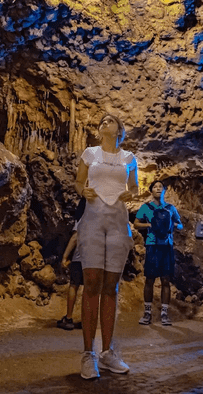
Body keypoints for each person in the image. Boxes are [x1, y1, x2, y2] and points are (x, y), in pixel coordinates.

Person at [74, 113, 138, 380]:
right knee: (91, 283)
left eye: (110, 121)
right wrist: (82, 190)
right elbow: (79, 182)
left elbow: (134, 187)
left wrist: (130, 193)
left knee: (111, 286)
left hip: (117, 222)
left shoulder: (129, 158)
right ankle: (88, 354)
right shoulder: (90, 153)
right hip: (92, 219)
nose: (104, 123)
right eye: (102, 121)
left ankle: (107, 352)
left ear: (119, 130)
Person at [133, 181, 183, 326]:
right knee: (149, 279)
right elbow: (136, 223)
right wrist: (149, 224)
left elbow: (180, 224)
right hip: (152, 245)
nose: (158, 189)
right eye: (155, 187)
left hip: (166, 245)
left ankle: (164, 314)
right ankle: (147, 312)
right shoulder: (146, 207)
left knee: (165, 280)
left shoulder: (170, 208)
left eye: (160, 187)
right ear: (151, 191)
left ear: (164, 190)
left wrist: (171, 225)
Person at [58, 198, 86, 330]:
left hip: (79, 259)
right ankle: (86, 319)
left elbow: (75, 238)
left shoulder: (82, 220)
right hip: (95, 261)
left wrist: (64, 257)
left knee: (74, 286)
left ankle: (68, 318)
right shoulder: (101, 220)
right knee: (89, 289)